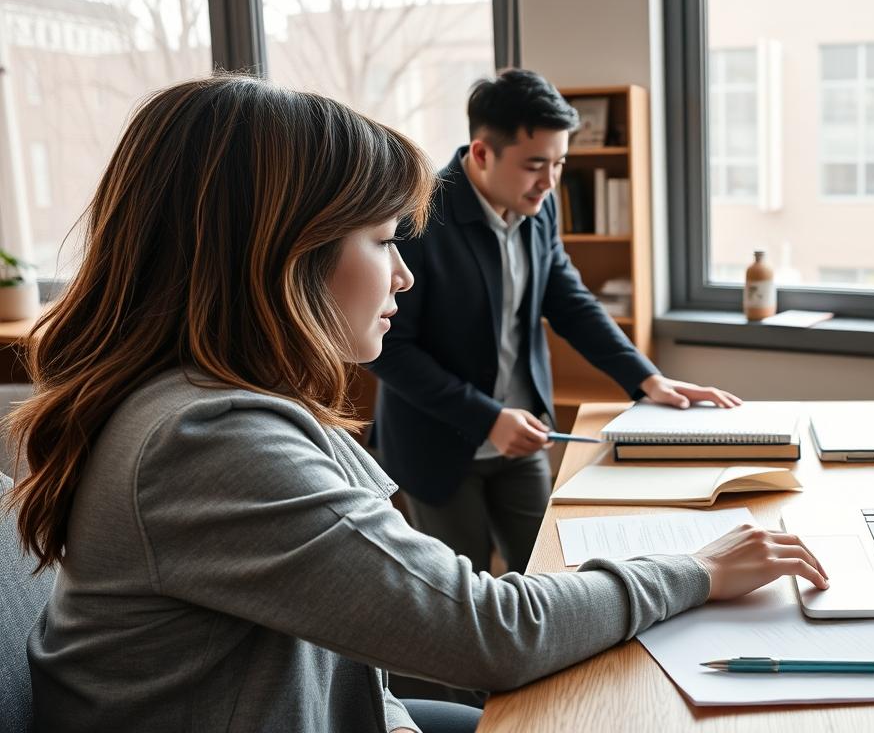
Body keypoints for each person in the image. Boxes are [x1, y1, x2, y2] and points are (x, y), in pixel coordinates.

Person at [2, 75, 827, 733]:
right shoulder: (208, 439)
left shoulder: (212, 404)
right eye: (383, 240)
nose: (402, 273)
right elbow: (483, 632)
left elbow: (355, 632)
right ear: (280, 255)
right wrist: (699, 570)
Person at [366, 69, 739, 574]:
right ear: (481, 153)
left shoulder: (538, 204)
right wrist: (486, 418)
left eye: (560, 163)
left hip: (527, 434)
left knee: (550, 573)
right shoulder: (419, 216)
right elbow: (392, 350)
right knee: (464, 595)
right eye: (535, 164)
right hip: (438, 445)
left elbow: (568, 300)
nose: (550, 181)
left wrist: (645, 379)